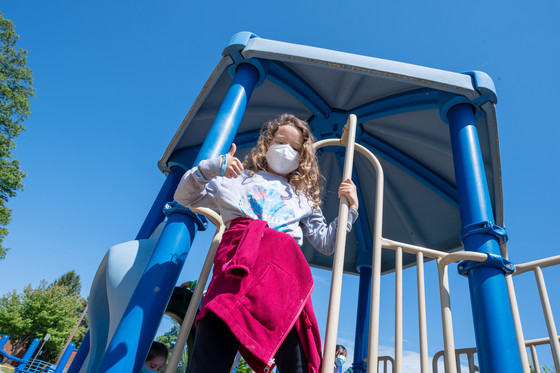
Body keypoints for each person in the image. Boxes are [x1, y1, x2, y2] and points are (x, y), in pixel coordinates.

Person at [174, 113, 359, 373]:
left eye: (295, 148)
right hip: (237, 270)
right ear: (267, 143)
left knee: (297, 358)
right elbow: (184, 197)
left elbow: (326, 243)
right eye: (280, 142)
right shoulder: (236, 178)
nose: (286, 151)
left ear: (302, 158)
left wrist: (349, 209)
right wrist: (212, 167)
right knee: (213, 343)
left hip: (281, 279)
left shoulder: (302, 198)